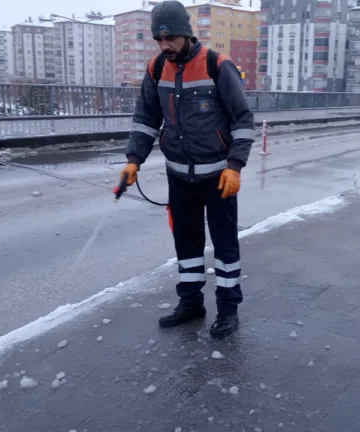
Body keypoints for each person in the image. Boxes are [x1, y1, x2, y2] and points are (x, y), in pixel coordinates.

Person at [119, 1, 255, 338]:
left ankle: (228, 310)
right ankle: (191, 303)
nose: (165, 46)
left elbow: (243, 120)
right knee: (187, 245)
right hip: (178, 177)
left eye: (171, 39)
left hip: (218, 177)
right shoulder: (155, 70)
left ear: (187, 34)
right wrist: (133, 159)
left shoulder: (216, 65)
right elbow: (147, 119)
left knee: (225, 248)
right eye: (159, 40)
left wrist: (235, 166)